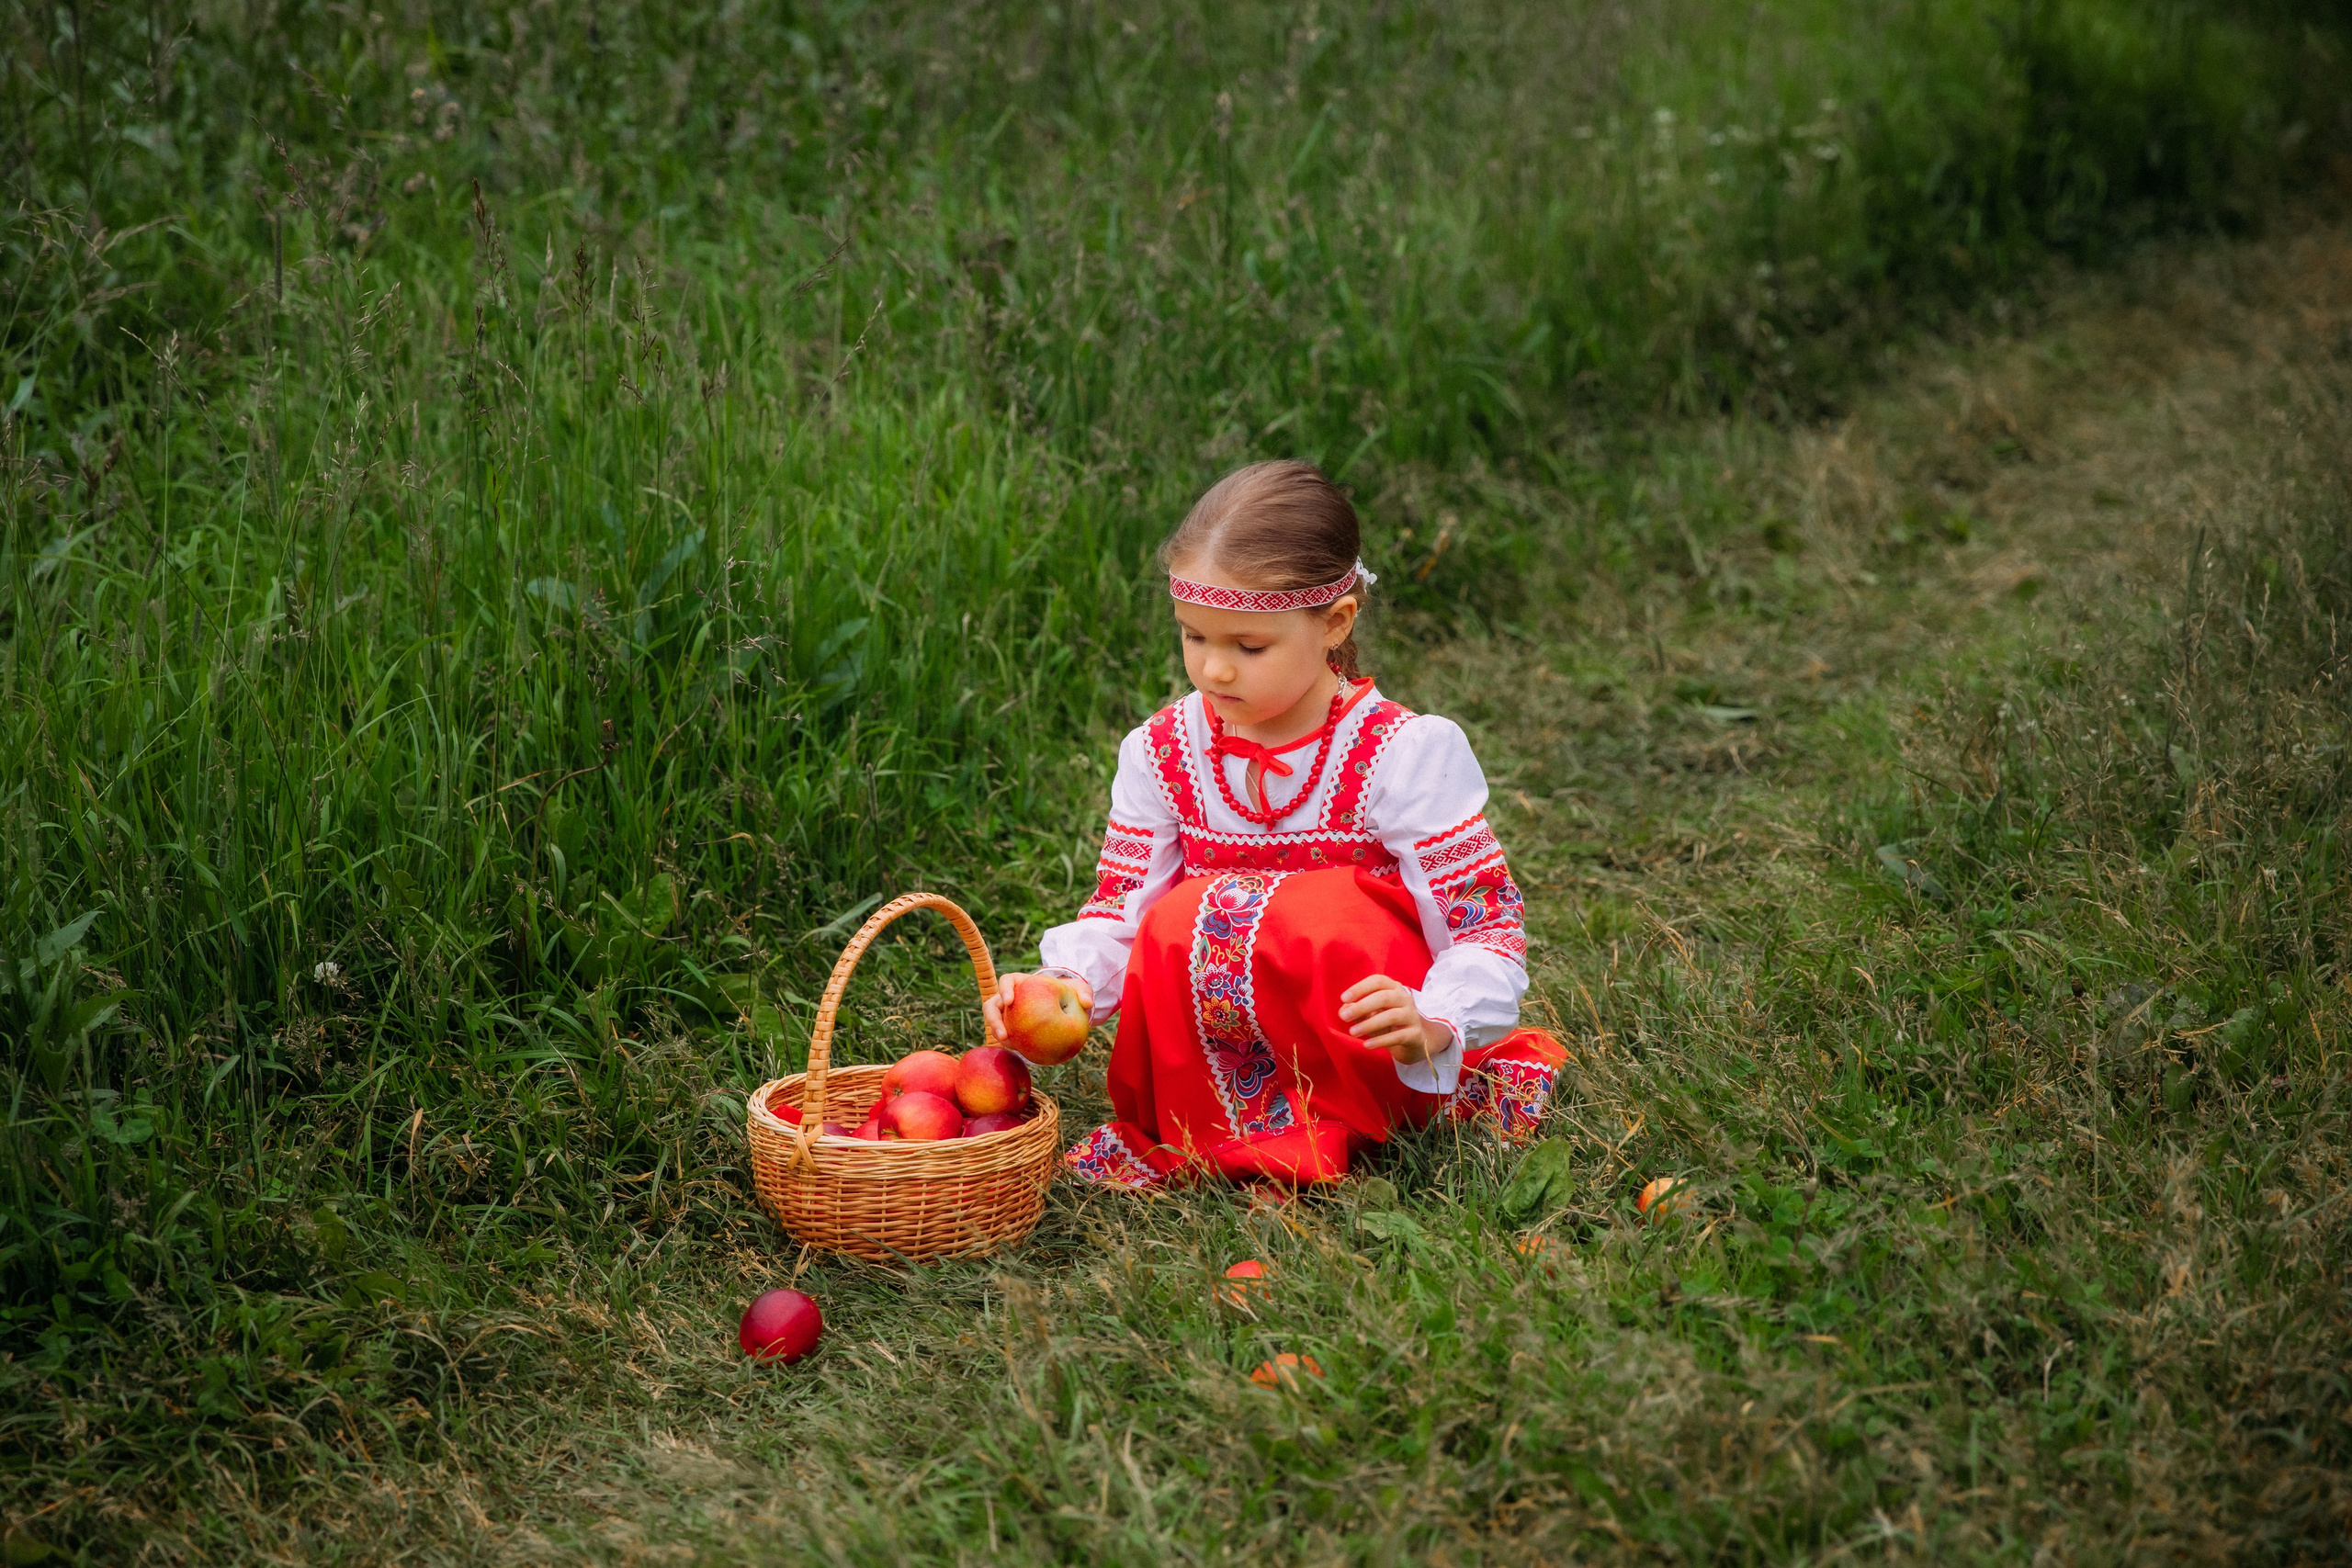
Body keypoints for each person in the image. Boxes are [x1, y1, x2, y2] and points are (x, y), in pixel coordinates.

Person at [983, 460, 1566, 1190]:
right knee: (1178, 914)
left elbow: (1484, 927)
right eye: (1194, 637)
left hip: (1366, 1048)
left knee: (1300, 907)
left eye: (1248, 647)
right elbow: (1122, 912)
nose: (1214, 670)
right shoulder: (1163, 752)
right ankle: (1229, 1129)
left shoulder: (1400, 753)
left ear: (1335, 623)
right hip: (1208, 1070)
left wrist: (1436, 1018)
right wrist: (1062, 988)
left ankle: (1344, 1120)